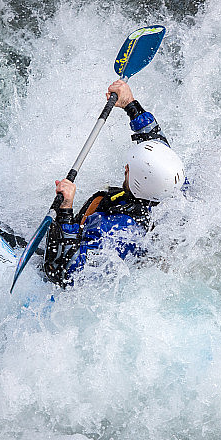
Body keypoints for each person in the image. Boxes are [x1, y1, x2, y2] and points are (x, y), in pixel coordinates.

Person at [44, 80, 185, 286]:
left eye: (130, 169)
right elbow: (154, 140)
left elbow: (68, 273)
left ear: (137, 180)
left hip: (69, 277)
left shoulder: (118, 230)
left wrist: (65, 208)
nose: (126, 168)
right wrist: (130, 104)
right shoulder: (167, 182)